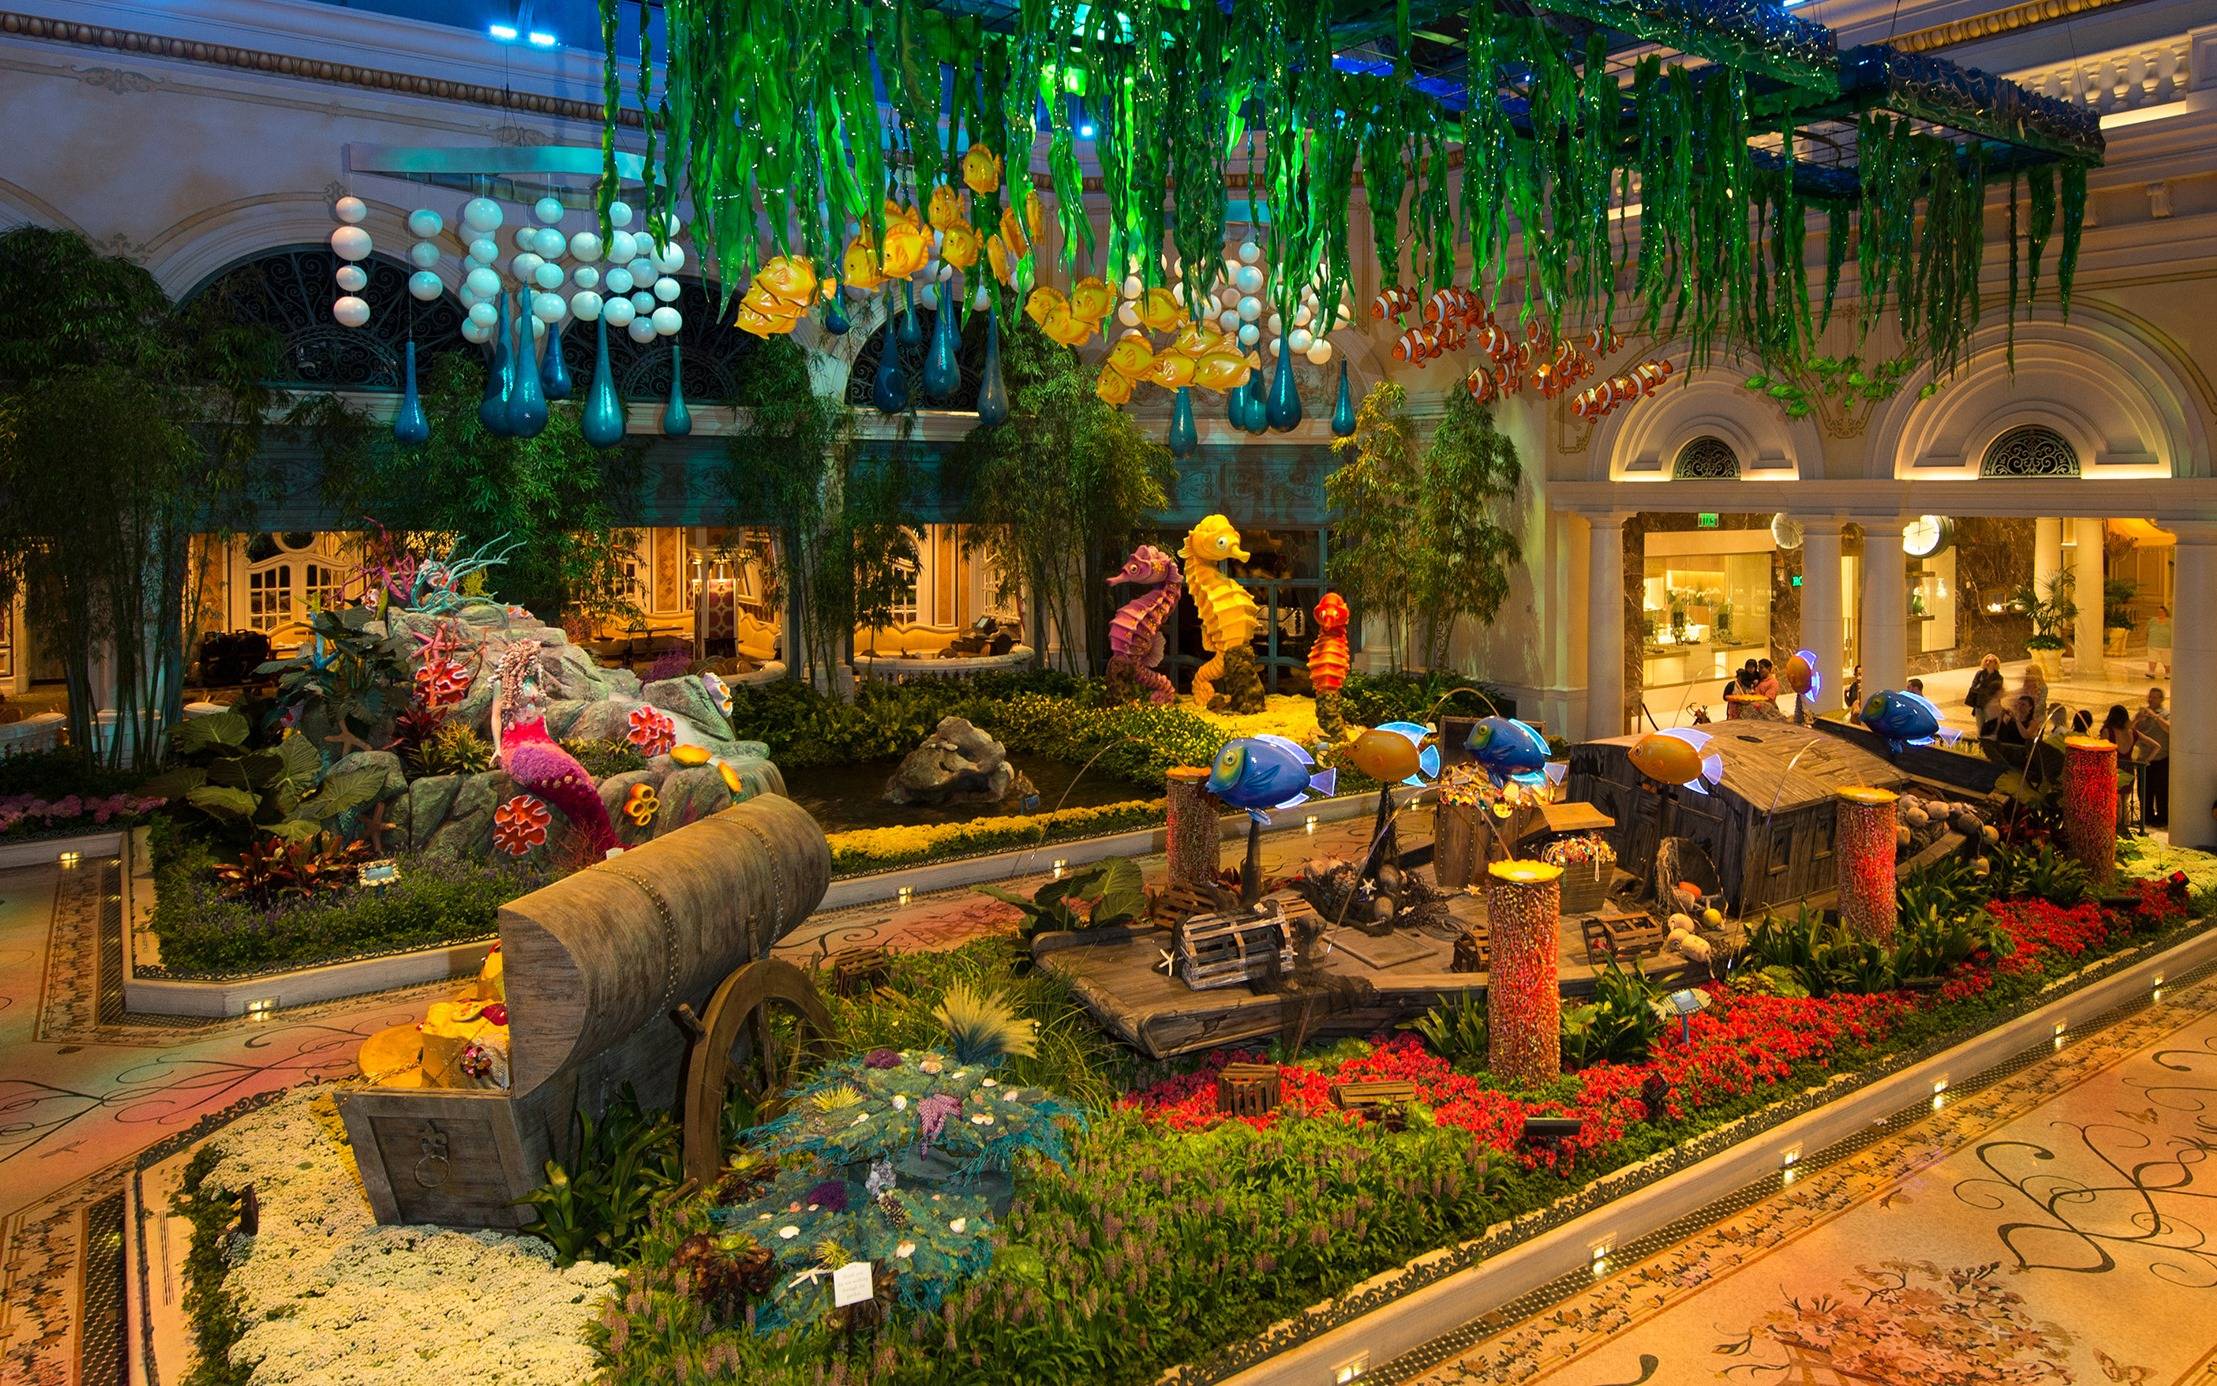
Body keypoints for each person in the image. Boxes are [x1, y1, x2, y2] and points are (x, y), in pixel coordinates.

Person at [2134, 686, 2170, 828]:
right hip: (2144, 759)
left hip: (2161, 759)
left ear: (2161, 699)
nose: (2151, 699)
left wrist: (2155, 716)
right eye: (2150, 696)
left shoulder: (2166, 714)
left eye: (2155, 697)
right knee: (2144, 791)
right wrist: (2137, 719)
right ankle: (2146, 817)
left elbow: (2169, 728)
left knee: (2161, 791)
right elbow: (2131, 731)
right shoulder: (2142, 714)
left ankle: (2163, 818)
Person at [1966, 653, 2005, 726]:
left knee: (1990, 726)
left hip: (1991, 705)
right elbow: (1973, 687)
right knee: (1980, 725)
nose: (1987, 662)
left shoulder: (1999, 677)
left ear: (1995, 663)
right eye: (1986, 660)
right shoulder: (1980, 674)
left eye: (1990, 661)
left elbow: (1998, 694)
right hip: (1979, 704)